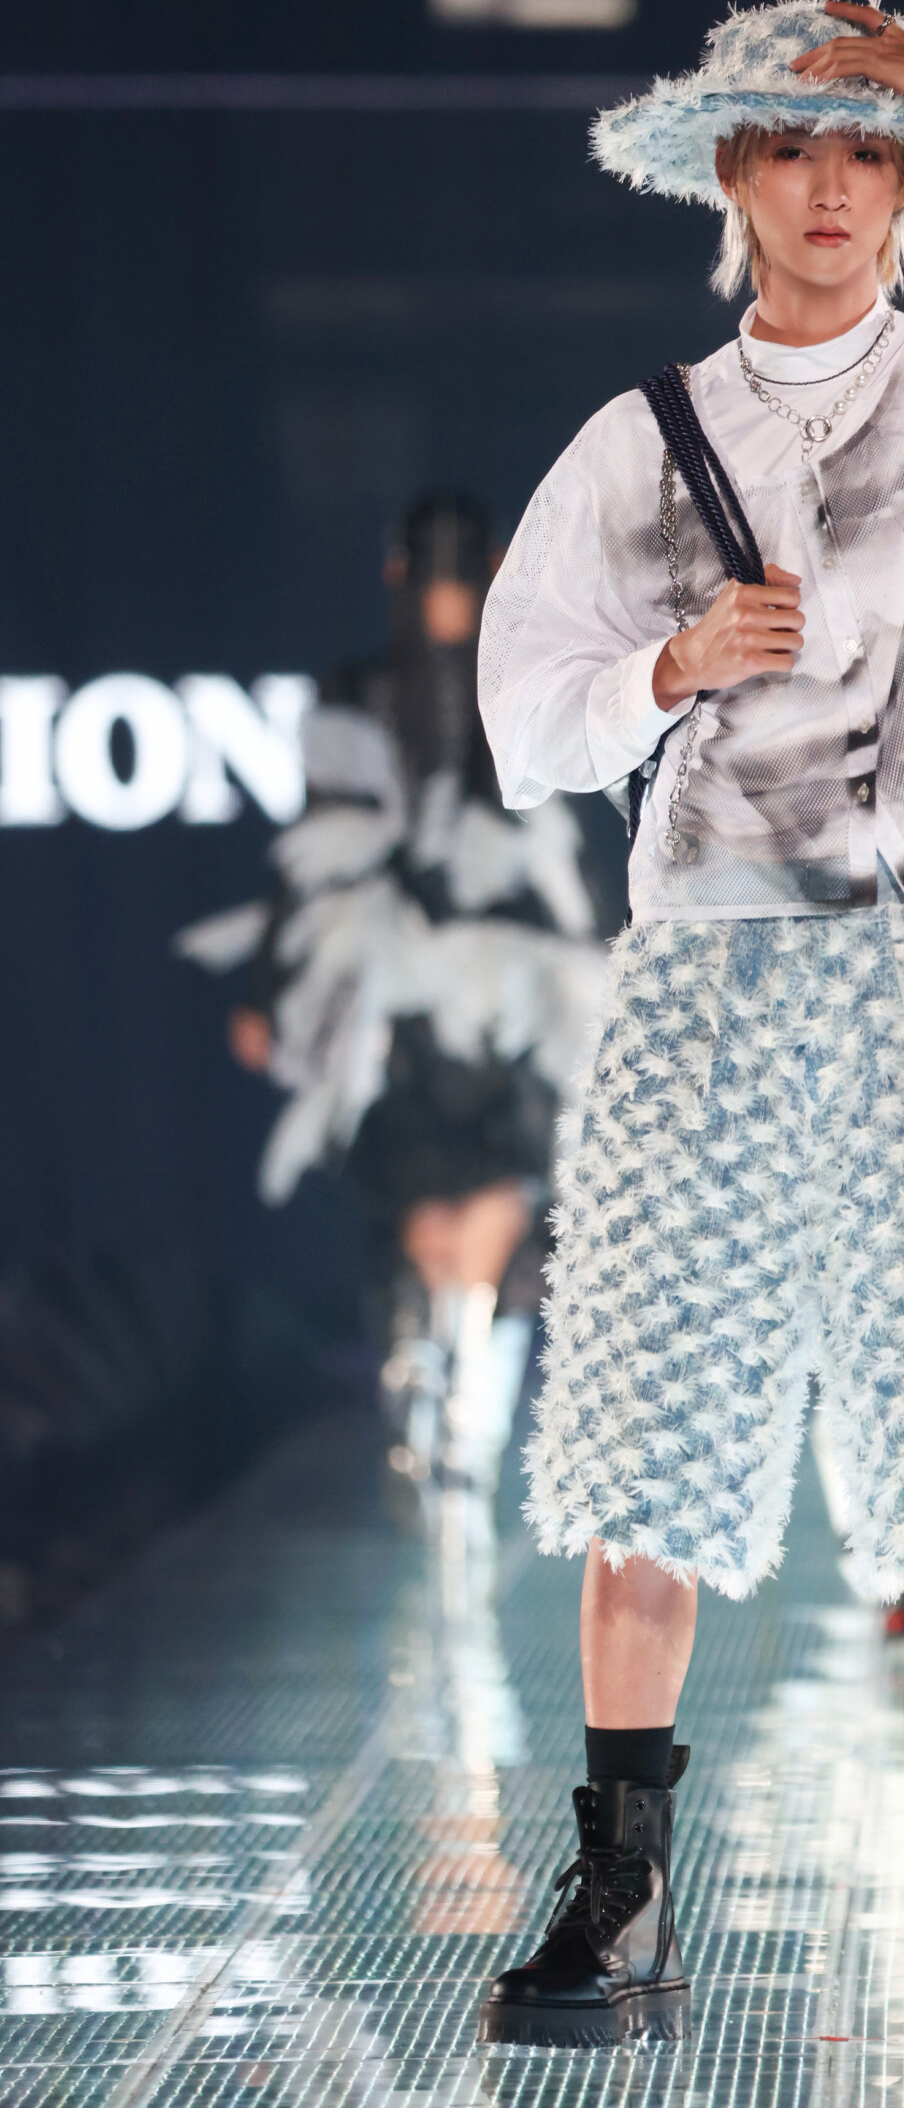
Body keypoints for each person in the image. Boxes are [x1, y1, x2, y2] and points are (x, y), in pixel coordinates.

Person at [474, 0, 904, 2047]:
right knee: (645, 1445)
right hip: (704, 965)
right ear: (732, 177)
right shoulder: (639, 437)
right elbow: (525, 712)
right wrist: (670, 665)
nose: (834, 185)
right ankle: (616, 1895)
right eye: (793, 146)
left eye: (870, 148)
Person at [178, 492, 618, 1520]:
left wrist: (272, 990)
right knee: (493, 1202)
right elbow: (558, 854)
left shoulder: (367, 687)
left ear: (391, 569)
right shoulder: (521, 679)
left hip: (413, 990)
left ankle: (433, 1396)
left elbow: (315, 850)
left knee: (448, 1209)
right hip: (497, 991)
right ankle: (462, 1424)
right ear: (500, 562)